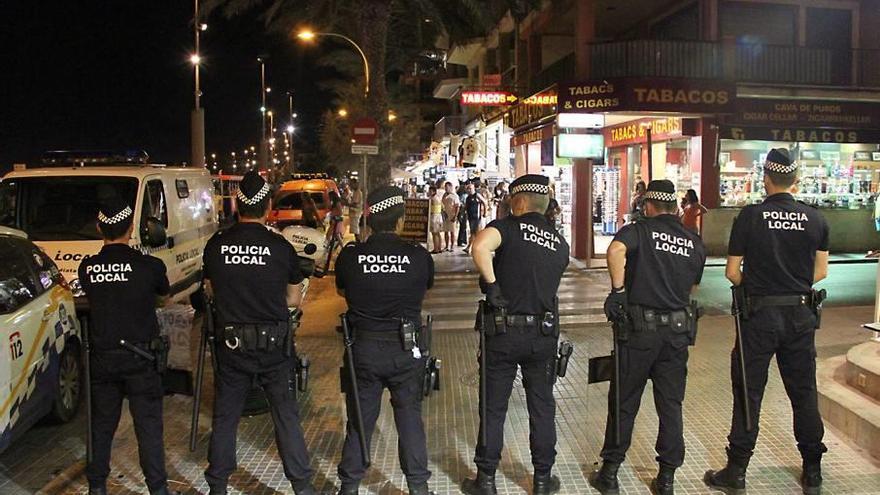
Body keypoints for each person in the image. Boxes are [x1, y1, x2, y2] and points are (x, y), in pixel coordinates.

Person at [705, 148, 830, 495]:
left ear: (766, 179)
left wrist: (758, 287)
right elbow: (819, 272)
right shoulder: (815, 218)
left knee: (749, 392)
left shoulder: (750, 216)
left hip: (758, 316)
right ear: (796, 180)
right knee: (803, 393)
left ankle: (737, 469)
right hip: (800, 315)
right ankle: (813, 470)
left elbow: (732, 272)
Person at [202, 171, 317, 495]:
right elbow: (293, 299)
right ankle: (302, 486)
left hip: (231, 345)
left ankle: (218, 486)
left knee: (226, 416)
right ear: (267, 207)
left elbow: (211, 291)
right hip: (273, 347)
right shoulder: (280, 248)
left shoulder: (217, 245)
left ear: (238, 206)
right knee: (285, 416)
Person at [590, 180, 706, 495]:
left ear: (649, 206)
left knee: (625, 400)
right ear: (677, 208)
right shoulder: (693, 241)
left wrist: (618, 291)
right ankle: (667, 477)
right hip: (677, 334)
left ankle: (610, 472)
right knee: (671, 404)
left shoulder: (640, 230)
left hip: (641, 332)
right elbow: (692, 288)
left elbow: (615, 250)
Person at [462, 174, 570, 495]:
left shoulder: (507, 228)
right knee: (542, 405)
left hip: (504, 333)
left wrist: (493, 285)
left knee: (494, 406)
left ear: (518, 200)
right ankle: (541, 479)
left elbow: (479, 246)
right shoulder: (559, 243)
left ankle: (486, 480)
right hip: (543, 335)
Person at [334, 186, 436, 495]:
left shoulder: (351, 257)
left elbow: (342, 291)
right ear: (401, 220)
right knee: (409, 419)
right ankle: (418, 487)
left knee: (360, 421)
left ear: (369, 220)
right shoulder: (419, 257)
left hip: (363, 349)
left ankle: (349, 486)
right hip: (407, 349)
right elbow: (424, 289)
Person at [78, 198, 178, 495]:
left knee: (101, 427)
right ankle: (158, 489)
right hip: (141, 359)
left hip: (104, 360)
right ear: (131, 227)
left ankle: (97, 487)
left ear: (99, 229)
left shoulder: (89, 268)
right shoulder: (149, 266)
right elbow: (164, 295)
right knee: (148, 429)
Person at [463, 183, 486, 253]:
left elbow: (484, 202)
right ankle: (470, 246)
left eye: (470, 188)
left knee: (475, 232)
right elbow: (466, 207)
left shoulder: (477, 195)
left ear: (473, 189)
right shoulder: (468, 198)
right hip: (470, 217)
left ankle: (471, 247)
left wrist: (485, 212)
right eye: (468, 189)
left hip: (476, 217)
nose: (469, 190)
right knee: (473, 232)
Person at [441, 182, 460, 252]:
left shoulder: (455, 196)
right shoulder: (444, 195)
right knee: (446, 231)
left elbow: (457, 206)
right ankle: (446, 246)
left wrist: (455, 216)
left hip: (452, 215)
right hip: (445, 216)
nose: (446, 188)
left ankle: (452, 246)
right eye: (445, 187)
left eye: (447, 187)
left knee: (452, 232)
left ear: (451, 187)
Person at [428, 185, 443, 254]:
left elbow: (430, 208)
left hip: (434, 216)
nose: (429, 192)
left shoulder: (433, 199)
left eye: (430, 191)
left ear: (433, 191)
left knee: (434, 234)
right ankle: (439, 248)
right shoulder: (438, 197)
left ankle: (436, 249)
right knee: (438, 233)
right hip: (439, 216)